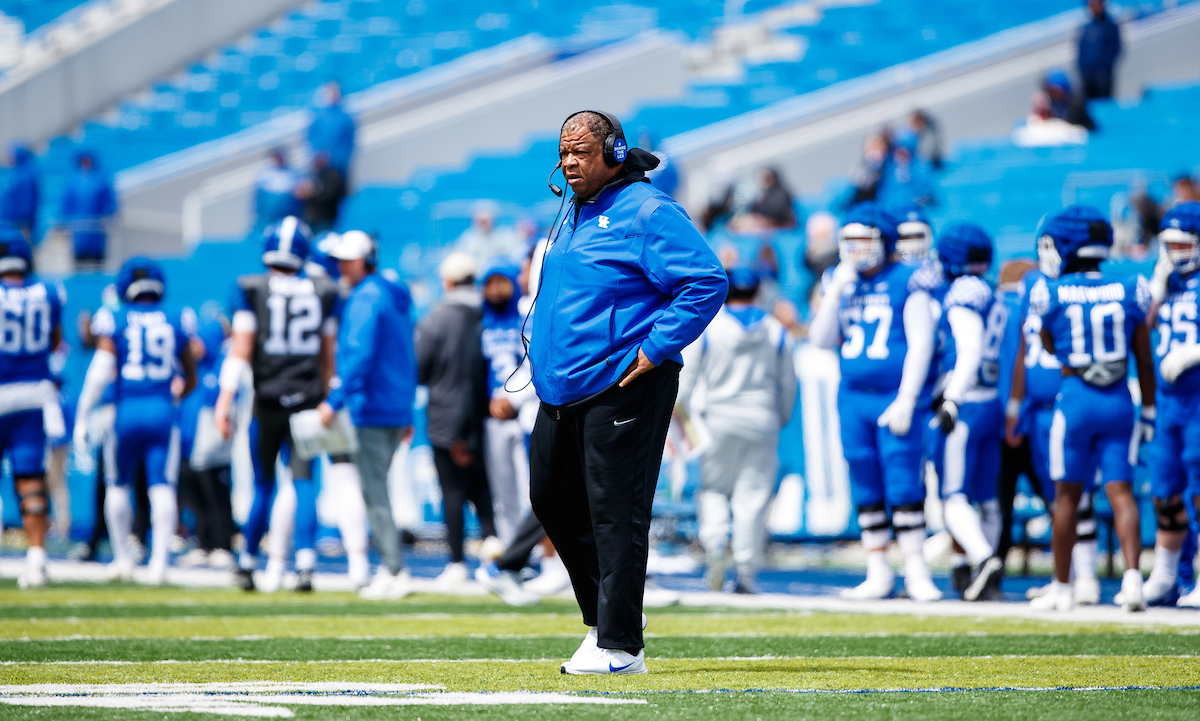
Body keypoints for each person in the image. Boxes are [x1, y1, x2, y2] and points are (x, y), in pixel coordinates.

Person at [529, 110, 727, 675]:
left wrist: (656, 347)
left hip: (623, 380)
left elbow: (706, 280)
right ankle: (609, 619)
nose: (569, 163)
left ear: (615, 153)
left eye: (581, 152)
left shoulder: (649, 210)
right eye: (563, 153)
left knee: (615, 511)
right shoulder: (573, 211)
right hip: (563, 385)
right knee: (550, 497)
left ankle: (620, 646)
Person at [808, 202, 942, 602]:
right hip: (853, 397)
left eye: (863, 239)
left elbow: (922, 343)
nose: (855, 248)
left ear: (884, 240)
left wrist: (908, 397)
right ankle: (878, 571)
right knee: (864, 480)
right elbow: (820, 340)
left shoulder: (907, 278)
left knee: (903, 480)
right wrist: (835, 291)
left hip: (893, 395)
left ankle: (916, 570)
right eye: (848, 240)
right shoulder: (839, 279)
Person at [1026, 204, 1154, 612]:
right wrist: (1150, 409)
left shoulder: (1051, 292)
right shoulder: (1129, 286)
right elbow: (1143, 356)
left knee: (1066, 497)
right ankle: (1132, 581)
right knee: (1122, 493)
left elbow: (1049, 346)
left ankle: (1063, 586)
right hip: (1118, 399)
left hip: (1076, 398)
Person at [214, 217, 341, 593]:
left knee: (263, 484)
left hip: (267, 402)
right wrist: (330, 395)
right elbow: (328, 355)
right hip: (308, 401)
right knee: (304, 482)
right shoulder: (324, 289)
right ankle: (305, 565)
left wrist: (224, 399)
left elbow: (241, 348)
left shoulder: (252, 287)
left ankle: (248, 562)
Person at [74, 258, 196, 585]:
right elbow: (191, 375)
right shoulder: (176, 317)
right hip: (161, 410)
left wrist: (82, 415)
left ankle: (122, 560)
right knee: (162, 486)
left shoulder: (115, 317)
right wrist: (174, 397)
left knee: (117, 484)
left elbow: (99, 372)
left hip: (125, 410)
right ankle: (159, 563)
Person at [679, 267, 795, 594]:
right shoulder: (776, 330)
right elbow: (788, 384)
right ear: (757, 291)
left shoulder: (710, 326)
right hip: (762, 418)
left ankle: (715, 541)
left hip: (717, 419)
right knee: (753, 497)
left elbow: (686, 381)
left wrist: (684, 422)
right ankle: (746, 572)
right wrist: (778, 419)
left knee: (713, 489)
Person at [318, 230, 418, 599]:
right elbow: (405, 355)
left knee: (375, 495)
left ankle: (395, 570)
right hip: (394, 406)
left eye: (349, 260)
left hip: (372, 408)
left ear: (366, 260)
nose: (342, 267)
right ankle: (390, 567)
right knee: (378, 492)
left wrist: (334, 400)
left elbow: (358, 354)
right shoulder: (393, 295)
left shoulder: (366, 297)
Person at [1007, 263, 1102, 607]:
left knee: (1077, 492)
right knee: (1056, 497)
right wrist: (1015, 406)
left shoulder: (1077, 290)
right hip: (1039, 411)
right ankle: (1066, 576)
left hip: (1070, 400)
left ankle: (1086, 576)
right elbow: (1023, 352)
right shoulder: (1033, 287)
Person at [927, 223, 1007, 601]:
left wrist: (952, 398)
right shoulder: (990, 291)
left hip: (968, 405)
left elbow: (969, 350)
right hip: (991, 401)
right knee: (987, 497)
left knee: (954, 496)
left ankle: (984, 558)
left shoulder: (963, 293)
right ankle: (979, 572)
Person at [417, 251, 501, 587]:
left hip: (445, 418)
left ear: (447, 282)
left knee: (452, 493)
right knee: (482, 489)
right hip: (481, 415)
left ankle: (456, 562)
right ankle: (495, 555)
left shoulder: (435, 320)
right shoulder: (488, 316)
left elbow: (419, 370)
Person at [0, 229, 65, 588]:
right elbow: (55, 341)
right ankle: (37, 559)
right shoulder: (49, 292)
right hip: (34, 394)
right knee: (31, 480)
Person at [1143, 201, 1200, 607]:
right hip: (1168, 403)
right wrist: (1157, 290)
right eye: (1170, 245)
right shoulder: (1166, 282)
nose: (1175, 253)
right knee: (1164, 491)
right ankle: (1166, 575)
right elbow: (1142, 325)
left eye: (1182, 245)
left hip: (1198, 400)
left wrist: (1194, 353)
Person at [478, 258, 537, 545]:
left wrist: (512, 399)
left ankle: (534, 550)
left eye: (501, 282)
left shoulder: (526, 318)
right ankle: (511, 548)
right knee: (503, 492)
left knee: (530, 488)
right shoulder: (482, 322)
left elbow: (535, 366)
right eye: (489, 284)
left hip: (524, 412)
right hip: (493, 416)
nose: (495, 290)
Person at [174, 320, 236, 571]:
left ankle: (223, 544)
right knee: (196, 492)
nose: (194, 347)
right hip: (190, 443)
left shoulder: (222, 366)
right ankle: (204, 543)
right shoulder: (194, 369)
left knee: (216, 492)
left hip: (212, 443)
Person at [58, 148, 117, 266]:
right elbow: (66, 202)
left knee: (97, 260)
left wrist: (109, 214)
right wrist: (62, 219)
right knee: (79, 259)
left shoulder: (101, 177)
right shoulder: (72, 179)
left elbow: (108, 201)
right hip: (78, 229)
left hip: (96, 228)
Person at [876, 131, 935, 210]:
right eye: (897, 149)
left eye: (904, 149)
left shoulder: (921, 166)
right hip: (892, 211)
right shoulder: (890, 168)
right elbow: (883, 193)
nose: (900, 152)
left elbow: (926, 191)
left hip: (915, 211)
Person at [307, 82, 355, 177]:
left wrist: (334, 161)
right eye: (330, 92)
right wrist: (317, 157)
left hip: (338, 169)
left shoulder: (345, 118)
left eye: (335, 92)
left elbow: (348, 144)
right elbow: (311, 139)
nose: (332, 95)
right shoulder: (317, 117)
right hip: (320, 166)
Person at [1077, 0, 1122, 100]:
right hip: (1087, 79)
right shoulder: (1086, 29)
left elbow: (1115, 50)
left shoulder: (1110, 26)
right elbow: (1081, 53)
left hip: (1103, 78)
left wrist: (1103, 72)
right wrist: (1083, 73)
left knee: (1104, 105)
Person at [252, 147, 302, 231]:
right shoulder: (264, 174)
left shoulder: (292, 172)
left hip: (287, 209)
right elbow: (260, 197)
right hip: (271, 211)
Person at [455, 202, 519, 266]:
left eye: (485, 221)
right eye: (480, 221)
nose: (483, 224)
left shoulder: (503, 238)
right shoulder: (468, 239)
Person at [299, 151, 346, 235]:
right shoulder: (315, 175)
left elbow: (329, 195)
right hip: (313, 218)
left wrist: (311, 194)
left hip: (326, 218)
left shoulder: (332, 174)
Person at [1, 142, 38, 240]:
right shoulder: (12, 174)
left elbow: (27, 203)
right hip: (9, 223)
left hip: (21, 224)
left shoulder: (26, 175)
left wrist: (24, 221)